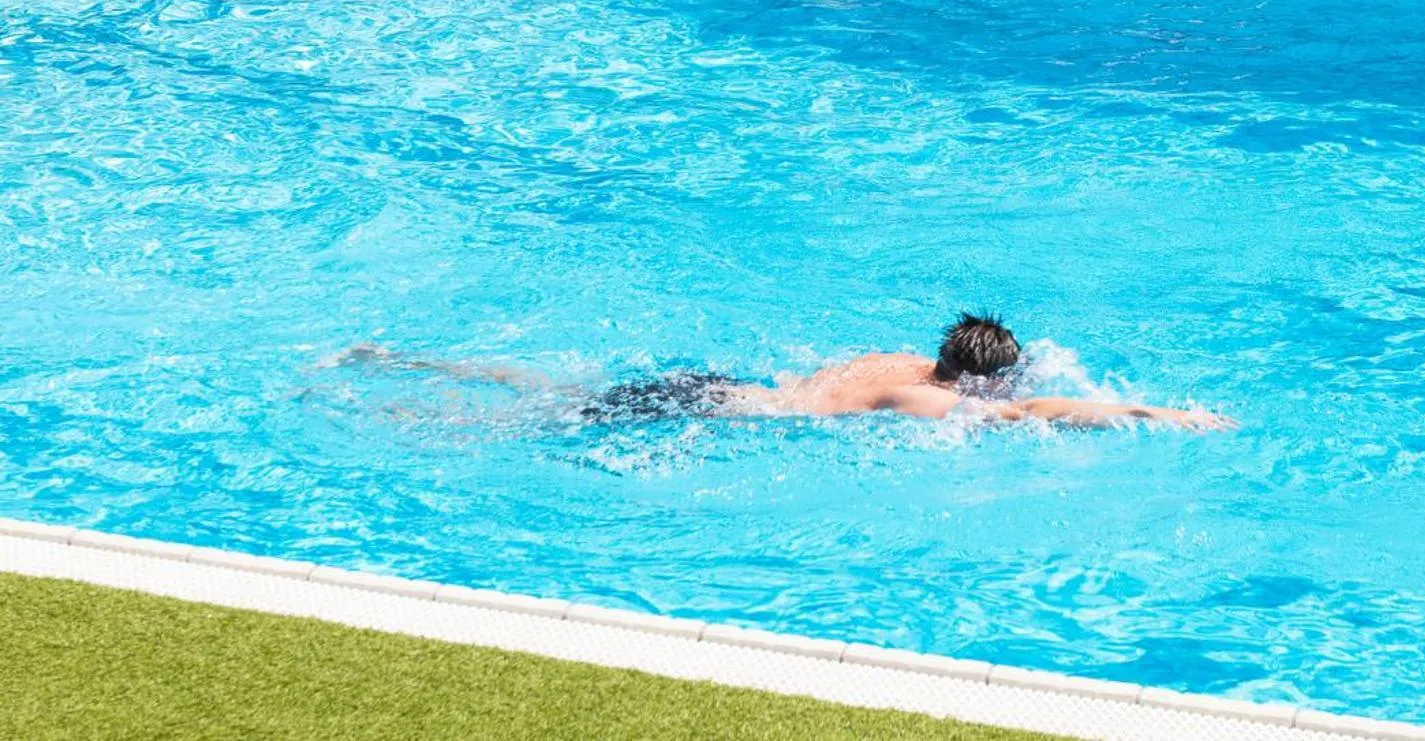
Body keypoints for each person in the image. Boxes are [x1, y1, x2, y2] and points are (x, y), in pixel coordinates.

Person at [334, 313, 1233, 432]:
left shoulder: (896, 358)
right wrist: (1160, 414)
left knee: (558, 391)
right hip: (721, 417)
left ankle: (406, 362)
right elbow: (1040, 411)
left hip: (719, 383)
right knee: (548, 418)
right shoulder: (922, 397)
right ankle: (415, 412)